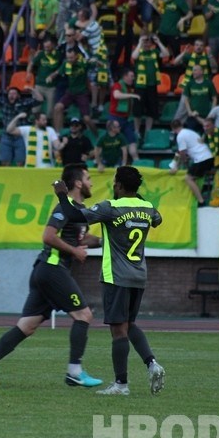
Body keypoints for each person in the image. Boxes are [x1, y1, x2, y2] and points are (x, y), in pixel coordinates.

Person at [0, 163, 103, 389]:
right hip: (52, 269)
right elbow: (48, 236)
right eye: (88, 178)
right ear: (78, 183)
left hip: (46, 272)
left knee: (27, 326)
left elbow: (81, 238)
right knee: (83, 315)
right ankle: (74, 372)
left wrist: (104, 241)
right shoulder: (65, 207)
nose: (91, 183)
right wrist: (74, 251)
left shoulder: (79, 211)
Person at [51, 166, 165, 396]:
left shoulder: (109, 207)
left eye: (115, 182)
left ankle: (121, 385)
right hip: (139, 275)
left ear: (119, 185)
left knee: (118, 330)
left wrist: (62, 195)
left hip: (116, 276)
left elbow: (75, 216)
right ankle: (152, 363)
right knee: (129, 324)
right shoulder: (148, 207)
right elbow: (158, 220)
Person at [0, 87, 42, 166]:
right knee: (4, 162)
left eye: (14, 93)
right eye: (10, 93)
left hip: (20, 136)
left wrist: (33, 90)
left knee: (20, 163)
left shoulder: (24, 102)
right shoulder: (4, 102)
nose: (11, 95)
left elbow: (40, 100)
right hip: (6, 135)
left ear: (18, 96)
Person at [169, 119, 214, 206]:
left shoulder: (180, 136)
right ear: (181, 125)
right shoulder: (189, 132)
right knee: (193, 176)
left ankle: (201, 201)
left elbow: (182, 153)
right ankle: (196, 197)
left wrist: (177, 167)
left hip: (202, 159)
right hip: (208, 156)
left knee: (188, 178)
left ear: (173, 129)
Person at [131, 33, 170, 134]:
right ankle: (136, 131)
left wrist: (158, 42)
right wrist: (140, 43)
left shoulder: (154, 52)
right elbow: (134, 56)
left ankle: (148, 131)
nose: (146, 43)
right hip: (140, 85)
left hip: (152, 85)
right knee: (137, 110)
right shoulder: (138, 51)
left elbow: (166, 54)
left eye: (148, 41)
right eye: (144, 41)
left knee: (151, 110)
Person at [109, 69, 140, 163]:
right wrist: (132, 95)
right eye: (131, 76)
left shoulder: (129, 87)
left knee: (132, 141)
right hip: (116, 118)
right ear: (125, 76)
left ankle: (137, 162)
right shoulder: (117, 85)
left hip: (127, 119)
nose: (133, 78)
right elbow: (116, 95)